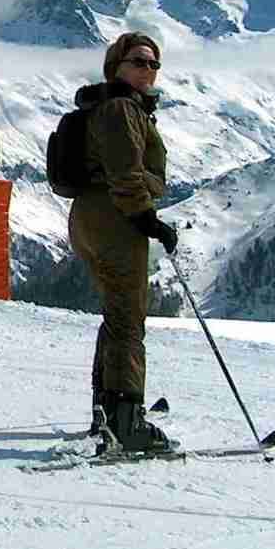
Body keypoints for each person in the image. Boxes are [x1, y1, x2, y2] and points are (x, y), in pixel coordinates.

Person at [67, 31, 179, 453]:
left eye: (153, 64)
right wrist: (148, 219)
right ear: (116, 66)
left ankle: (106, 410)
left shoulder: (111, 107)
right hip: (115, 220)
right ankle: (127, 423)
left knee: (116, 316)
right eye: (138, 61)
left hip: (92, 216)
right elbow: (127, 173)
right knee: (129, 322)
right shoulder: (121, 110)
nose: (147, 70)